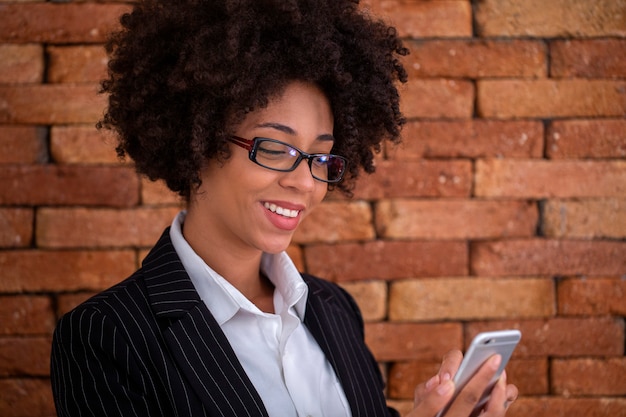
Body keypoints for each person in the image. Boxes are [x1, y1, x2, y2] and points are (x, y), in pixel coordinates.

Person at [50, 0, 518, 416]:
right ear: (198, 142)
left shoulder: (334, 309)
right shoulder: (105, 337)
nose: (304, 181)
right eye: (274, 148)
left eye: (321, 157)